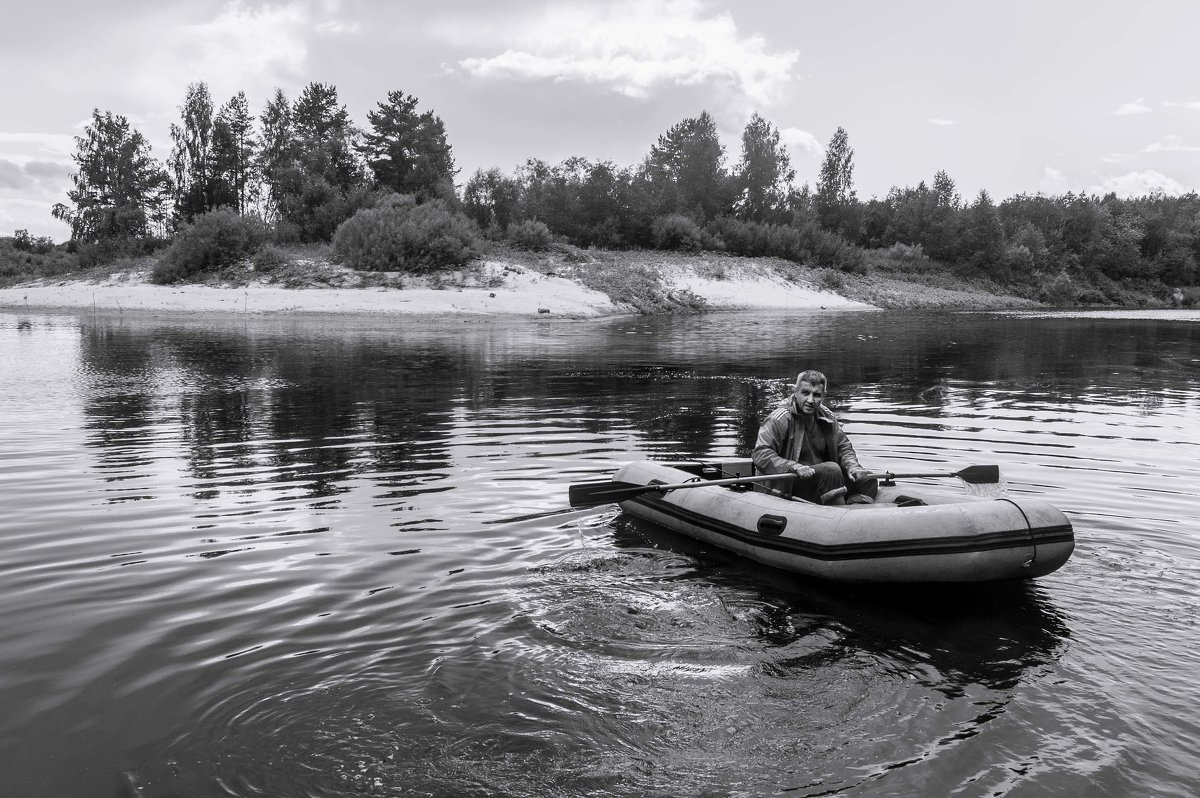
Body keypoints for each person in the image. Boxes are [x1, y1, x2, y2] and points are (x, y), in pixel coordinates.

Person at [752, 369, 878, 505]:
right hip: (789, 482)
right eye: (805, 393)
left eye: (816, 395)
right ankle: (839, 513)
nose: (811, 400)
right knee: (832, 470)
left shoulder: (828, 416)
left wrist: (853, 467)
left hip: (821, 480)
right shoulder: (779, 418)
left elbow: (844, 447)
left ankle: (852, 513)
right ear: (796, 392)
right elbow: (761, 454)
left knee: (868, 479)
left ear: (823, 395)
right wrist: (794, 466)